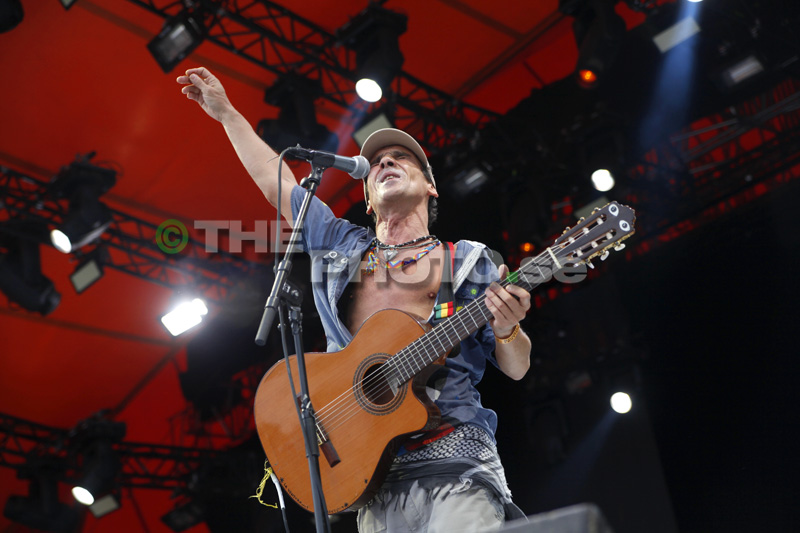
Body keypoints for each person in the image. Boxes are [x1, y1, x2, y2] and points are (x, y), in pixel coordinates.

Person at [177, 66, 532, 532]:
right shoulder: (341, 247)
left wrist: (507, 328)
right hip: (370, 476)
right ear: (367, 200)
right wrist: (227, 114)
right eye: (377, 162)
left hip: (456, 465)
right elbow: (274, 180)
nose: (385, 163)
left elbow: (517, 366)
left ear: (431, 187)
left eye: (401, 158)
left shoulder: (466, 260)